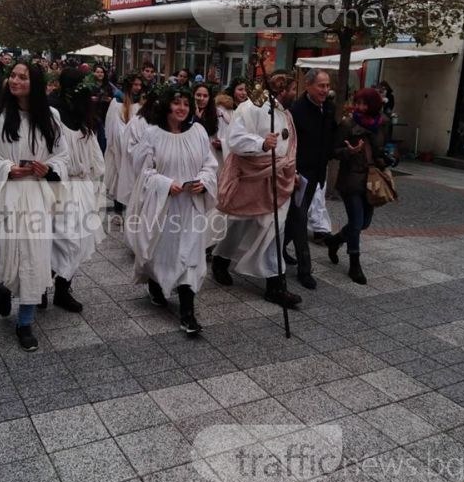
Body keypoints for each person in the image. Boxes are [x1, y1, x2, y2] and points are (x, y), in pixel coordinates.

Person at [0, 61, 70, 351]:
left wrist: (47, 168)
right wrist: (6, 168)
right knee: (5, 251)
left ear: (35, 83)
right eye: (12, 75)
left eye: (22, 77)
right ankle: (3, 284)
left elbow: (62, 155)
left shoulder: (51, 117)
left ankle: (25, 322)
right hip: (6, 194)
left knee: (36, 257)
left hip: (37, 196)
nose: (14, 80)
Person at [125, 88, 218, 333]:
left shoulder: (198, 132)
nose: (182, 108)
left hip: (191, 205)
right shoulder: (152, 134)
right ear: (167, 106)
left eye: (186, 104)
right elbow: (143, 172)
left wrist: (203, 181)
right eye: (177, 103)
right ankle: (156, 285)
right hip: (163, 207)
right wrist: (166, 185)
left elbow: (210, 164)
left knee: (190, 257)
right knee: (162, 252)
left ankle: (188, 313)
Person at [211, 75, 302, 308]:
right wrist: (261, 143)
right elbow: (236, 139)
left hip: (278, 179)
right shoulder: (251, 107)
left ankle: (275, 285)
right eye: (293, 88)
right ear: (281, 88)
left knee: (273, 228)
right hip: (253, 175)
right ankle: (221, 259)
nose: (295, 92)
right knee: (239, 222)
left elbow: (288, 147)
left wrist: (292, 170)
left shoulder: (286, 114)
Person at [47, 70, 105, 312]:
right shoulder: (53, 112)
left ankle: (62, 288)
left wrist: (96, 182)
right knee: (60, 240)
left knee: (78, 241)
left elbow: (93, 153)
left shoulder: (84, 117)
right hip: (59, 186)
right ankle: (38, 285)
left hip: (81, 186)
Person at [326, 88, 390, 285]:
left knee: (364, 223)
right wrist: (349, 152)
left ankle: (336, 240)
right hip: (350, 179)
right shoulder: (347, 124)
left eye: (365, 103)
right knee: (355, 222)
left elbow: (380, 150)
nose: (360, 107)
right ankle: (355, 263)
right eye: (358, 103)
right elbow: (333, 150)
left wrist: (386, 159)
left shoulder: (383, 124)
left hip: (371, 181)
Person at [283, 69, 336, 289]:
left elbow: (328, 141)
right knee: (300, 218)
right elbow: (289, 145)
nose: (325, 90)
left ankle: (276, 249)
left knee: (294, 218)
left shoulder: (328, 109)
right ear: (308, 86)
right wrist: (292, 171)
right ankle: (305, 269)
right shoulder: (296, 111)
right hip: (299, 174)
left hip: (316, 173)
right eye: (321, 85)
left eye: (327, 85)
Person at [105, 73, 143, 218]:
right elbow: (115, 128)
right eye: (135, 85)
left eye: (140, 85)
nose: (138, 88)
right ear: (129, 86)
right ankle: (118, 210)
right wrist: (127, 143)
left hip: (137, 146)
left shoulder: (140, 103)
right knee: (119, 175)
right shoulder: (118, 102)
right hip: (121, 147)